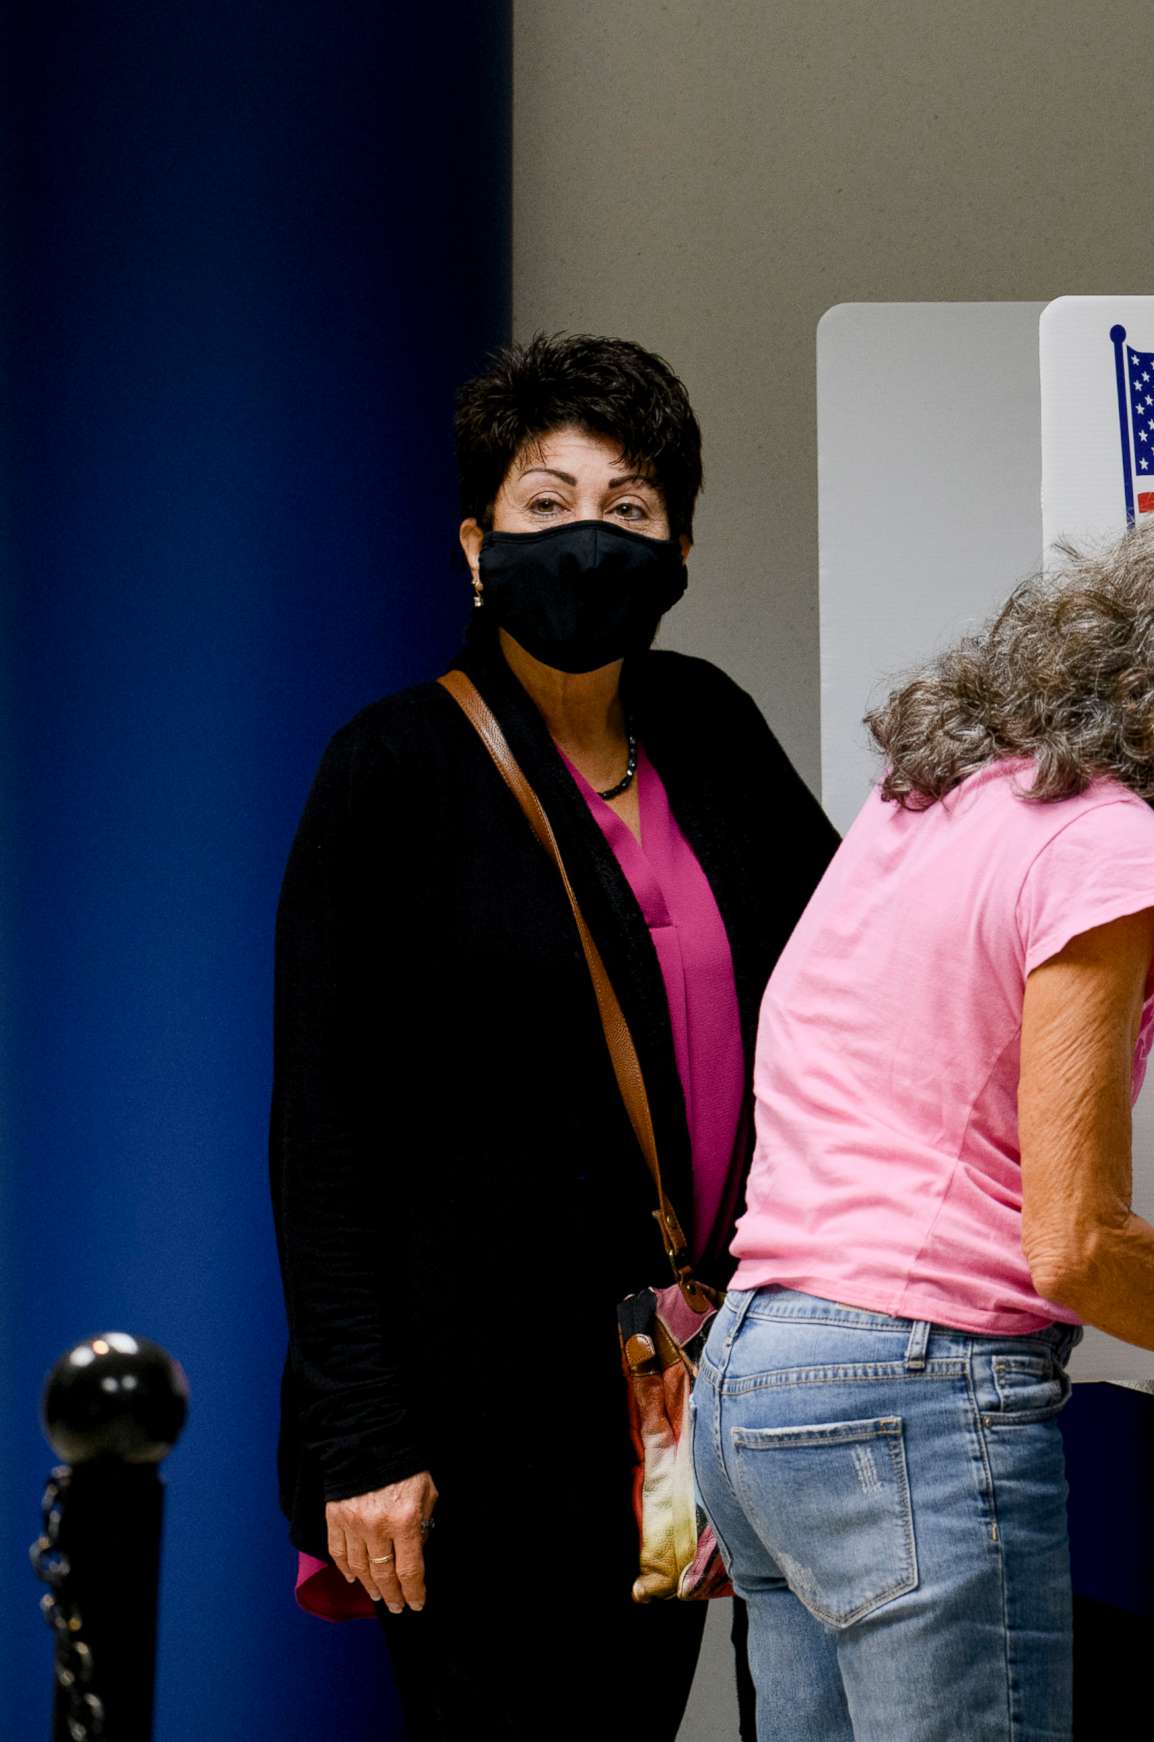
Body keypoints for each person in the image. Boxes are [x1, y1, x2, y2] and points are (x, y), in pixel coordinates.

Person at [693, 498, 1154, 1738]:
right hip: (913, 1393)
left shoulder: (935, 792)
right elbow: (1076, 1239)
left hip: (758, 1377)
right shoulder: (1107, 842)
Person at [268, 332, 840, 1737]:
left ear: (682, 548)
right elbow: (321, 1132)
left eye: (630, 508)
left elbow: (847, 978)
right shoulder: (392, 768)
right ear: (477, 546)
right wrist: (364, 1441)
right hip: (467, 1424)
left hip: (677, 1393)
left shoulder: (709, 725)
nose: (589, 536)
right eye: (547, 503)